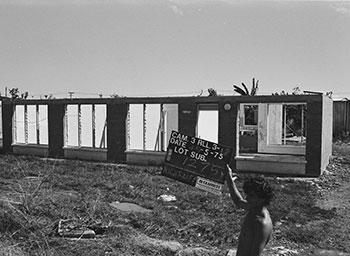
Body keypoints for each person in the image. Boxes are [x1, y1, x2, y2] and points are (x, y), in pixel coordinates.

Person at [224, 165, 274, 256]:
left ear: (261, 199)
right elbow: (238, 201)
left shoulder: (262, 224)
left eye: (251, 196)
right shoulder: (254, 208)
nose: (247, 198)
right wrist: (229, 180)